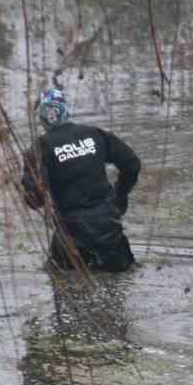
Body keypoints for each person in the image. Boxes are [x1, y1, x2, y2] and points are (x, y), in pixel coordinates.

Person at [21, 86, 141, 272]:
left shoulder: (39, 148)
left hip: (71, 234)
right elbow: (132, 164)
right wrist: (120, 195)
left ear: (41, 117)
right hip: (108, 226)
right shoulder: (94, 134)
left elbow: (35, 199)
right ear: (66, 111)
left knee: (62, 282)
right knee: (123, 280)